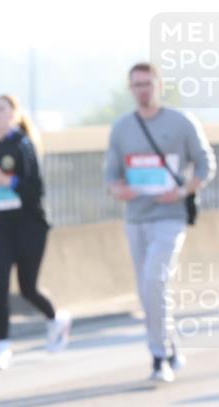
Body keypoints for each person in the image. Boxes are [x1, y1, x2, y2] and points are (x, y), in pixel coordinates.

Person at [105, 62, 216, 382]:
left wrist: (181, 190)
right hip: (136, 216)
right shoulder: (122, 128)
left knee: (155, 279)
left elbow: (206, 165)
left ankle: (157, 357)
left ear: (158, 85)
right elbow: (111, 174)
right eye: (137, 84)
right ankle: (169, 346)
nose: (143, 89)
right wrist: (118, 189)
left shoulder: (180, 122)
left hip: (170, 215)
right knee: (147, 288)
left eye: (148, 83)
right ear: (131, 89)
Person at [0, 94, 72, 370]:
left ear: (14, 114)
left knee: (28, 287)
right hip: (0, 222)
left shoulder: (23, 145)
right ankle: (2, 345)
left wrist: (8, 180)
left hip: (29, 223)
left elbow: (34, 189)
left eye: (1, 110)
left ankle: (56, 319)